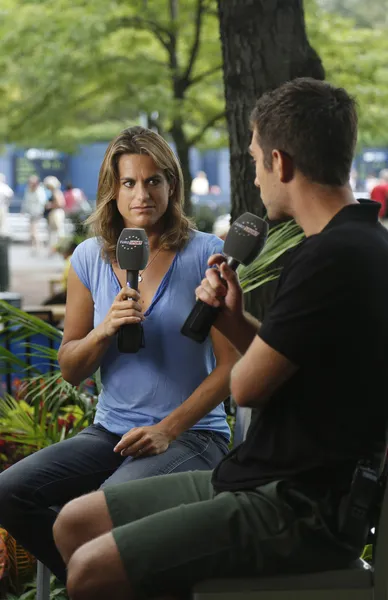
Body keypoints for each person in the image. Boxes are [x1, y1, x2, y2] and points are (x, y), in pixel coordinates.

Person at [51, 78, 388, 600]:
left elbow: (248, 386)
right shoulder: (360, 242)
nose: (255, 178)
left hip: (297, 504)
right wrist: (230, 318)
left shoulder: (329, 260)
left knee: (91, 569)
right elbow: (286, 358)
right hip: (261, 477)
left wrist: (221, 343)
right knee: (74, 523)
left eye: (254, 161)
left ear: (281, 162)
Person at [0, 126, 238, 583]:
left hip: (190, 437)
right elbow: (71, 368)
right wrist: (104, 330)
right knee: (10, 492)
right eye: (129, 183)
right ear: (112, 191)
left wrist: (168, 430)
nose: (142, 194)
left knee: (99, 511)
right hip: (110, 431)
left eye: (154, 181)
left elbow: (231, 366)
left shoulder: (208, 254)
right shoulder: (89, 257)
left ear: (172, 185)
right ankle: (100, 582)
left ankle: (103, 580)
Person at [42, 239, 78, 305]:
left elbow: (69, 280)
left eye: (62, 252)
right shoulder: (75, 258)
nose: (62, 254)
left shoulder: (71, 260)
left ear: (68, 251)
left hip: (69, 294)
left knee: (45, 306)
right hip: (71, 293)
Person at [21, 175, 47, 253]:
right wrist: (23, 210)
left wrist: (39, 212)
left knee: (34, 231)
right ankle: (35, 246)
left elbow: (42, 202)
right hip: (30, 213)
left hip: (37, 213)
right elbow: (25, 201)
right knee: (32, 231)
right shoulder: (28, 190)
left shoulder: (40, 190)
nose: (30, 184)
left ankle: (38, 246)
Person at [43, 175, 66, 255]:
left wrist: (50, 205)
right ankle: (55, 249)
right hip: (54, 213)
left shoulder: (56, 192)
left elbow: (60, 203)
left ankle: (60, 248)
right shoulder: (54, 192)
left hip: (56, 213)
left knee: (57, 232)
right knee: (54, 232)